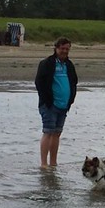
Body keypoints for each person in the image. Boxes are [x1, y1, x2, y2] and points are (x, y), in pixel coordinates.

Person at [35, 37, 78, 169]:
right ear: (56, 48)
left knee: (57, 133)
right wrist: (47, 100)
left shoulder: (69, 65)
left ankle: (53, 163)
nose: (64, 51)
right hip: (49, 105)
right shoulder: (47, 63)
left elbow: (74, 82)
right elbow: (39, 83)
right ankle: (44, 163)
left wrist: (70, 100)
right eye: (62, 48)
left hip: (64, 106)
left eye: (67, 49)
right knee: (48, 132)